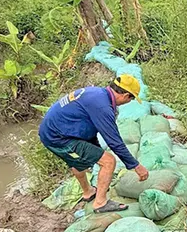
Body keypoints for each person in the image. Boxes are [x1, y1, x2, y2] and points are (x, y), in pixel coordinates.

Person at [38, 75, 149, 213]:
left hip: (56, 130)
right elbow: (114, 142)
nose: (129, 102)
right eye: (131, 99)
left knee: (79, 160)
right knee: (108, 161)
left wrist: (96, 149)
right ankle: (100, 203)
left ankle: (88, 192)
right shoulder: (103, 107)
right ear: (126, 95)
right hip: (58, 138)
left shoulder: (97, 93)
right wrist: (135, 165)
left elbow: (89, 127)